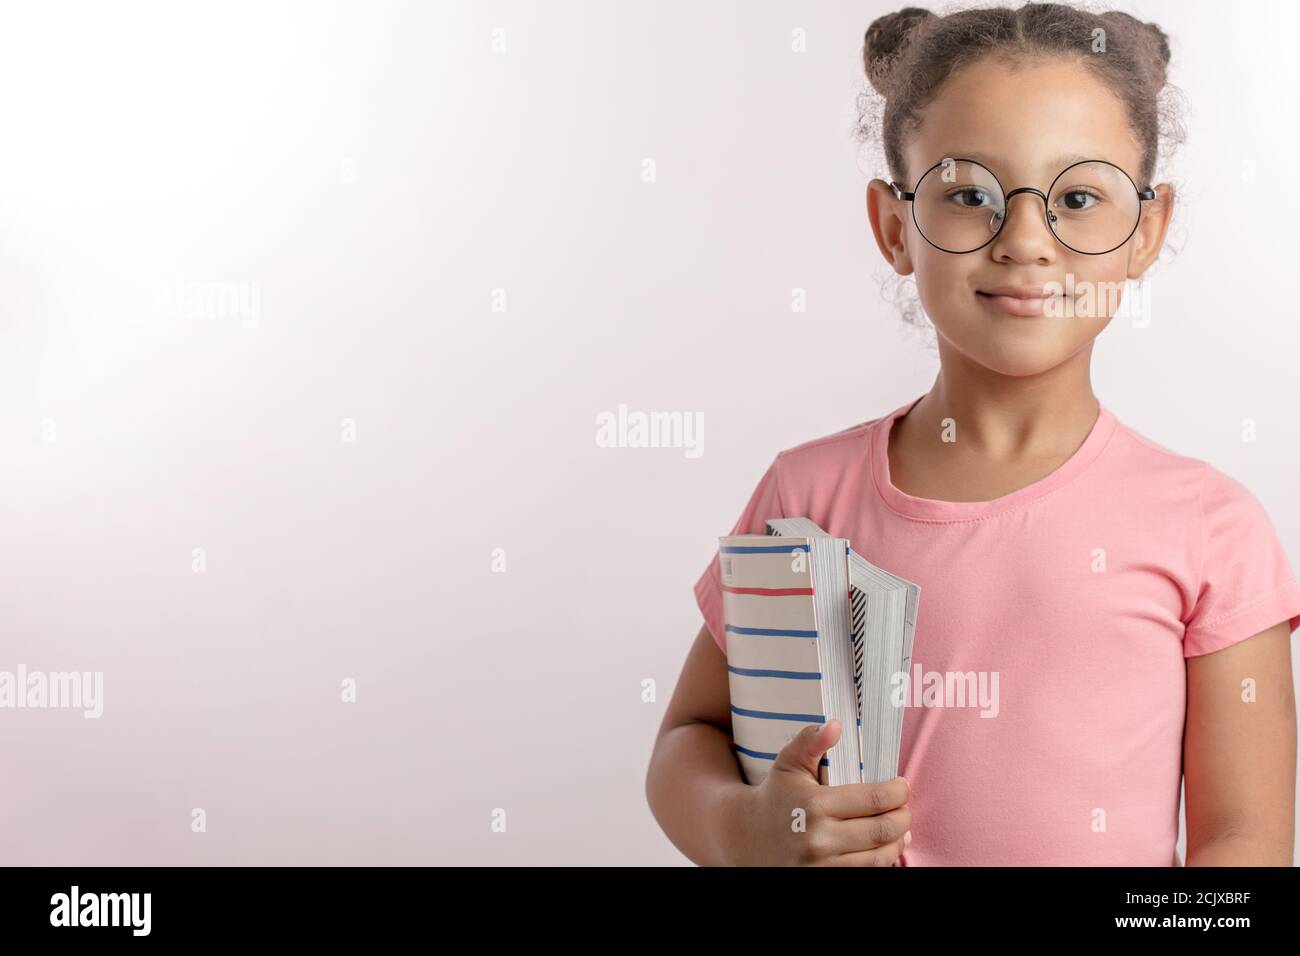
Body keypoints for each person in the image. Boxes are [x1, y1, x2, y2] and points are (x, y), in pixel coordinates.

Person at [645, 2, 1300, 866]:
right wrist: (744, 827)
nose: (1026, 241)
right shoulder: (806, 497)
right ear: (893, 227)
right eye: (966, 195)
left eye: (1076, 196)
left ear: (1146, 230)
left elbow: (1242, 844)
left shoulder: (1213, 529)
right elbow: (687, 737)